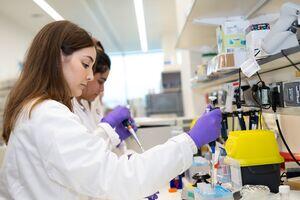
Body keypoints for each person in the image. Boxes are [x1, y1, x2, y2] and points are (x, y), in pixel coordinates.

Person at [0, 20, 222, 200]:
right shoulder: (48, 115)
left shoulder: (34, 110)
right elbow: (115, 178)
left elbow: (82, 171)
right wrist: (190, 141)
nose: (89, 76)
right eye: (85, 64)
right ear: (58, 57)